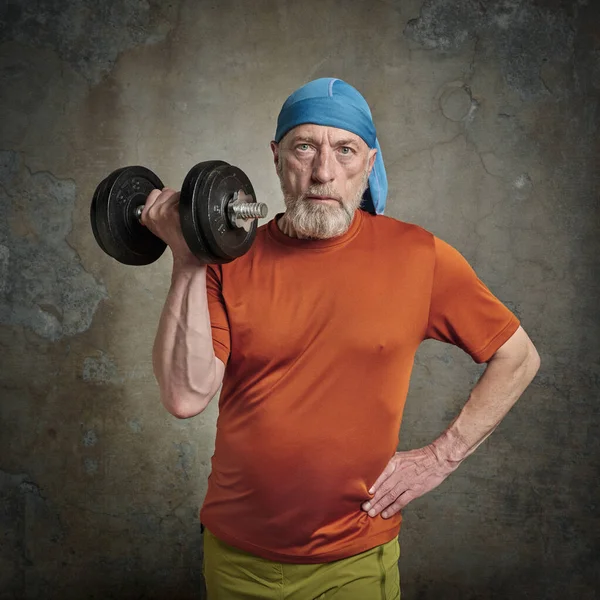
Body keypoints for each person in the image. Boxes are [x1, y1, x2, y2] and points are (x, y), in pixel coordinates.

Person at [141, 78, 540, 599]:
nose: (323, 172)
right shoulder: (229, 261)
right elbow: (185, 395)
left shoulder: (417, 256)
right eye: (304, 147)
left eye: (344, 150)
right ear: (277, 156)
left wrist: (443, 456)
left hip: (353, 560)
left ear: (368, 163)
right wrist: (189, 258)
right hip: (237, 557)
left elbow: (519, 357)